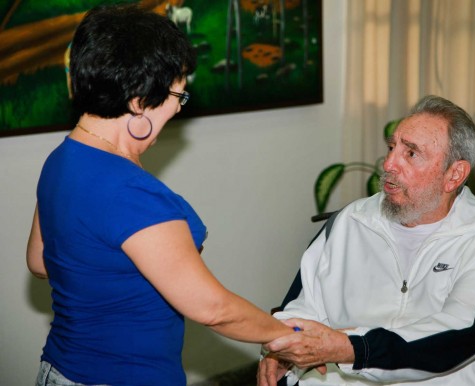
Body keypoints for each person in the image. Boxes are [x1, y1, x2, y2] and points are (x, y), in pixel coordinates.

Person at [26, 5, 294, 386]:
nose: (177, 109)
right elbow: (213, 309)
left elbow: (39, 261)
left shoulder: (60, 160)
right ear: (138, 100)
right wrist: (287, 337)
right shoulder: (132, 193)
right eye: (177, 96)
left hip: (57, 371)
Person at [258, 95, 475, 386]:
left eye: (410, 153)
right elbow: (301, 305)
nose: (388, 164)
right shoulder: (349, 221)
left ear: (454, 174)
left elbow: (462, 331)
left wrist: (351, 348)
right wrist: (281, 349)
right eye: (391, 147)